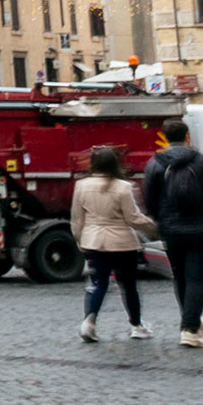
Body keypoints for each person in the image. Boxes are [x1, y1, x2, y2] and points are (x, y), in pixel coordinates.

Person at [142, 120, 203, 347]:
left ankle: (189, 320)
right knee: (196, 278)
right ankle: (190, 328)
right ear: (187, 136)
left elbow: (149, 199)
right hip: (201, 227)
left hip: (171, 229)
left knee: (180, 276)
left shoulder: (155, 162)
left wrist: (161, 220)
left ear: (165, 137)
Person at [71, 145, 155, 342]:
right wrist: (152, 226)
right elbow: (133, 218)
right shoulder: (124, 187)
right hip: (122, 242)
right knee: (129, 286)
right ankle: (136, 325)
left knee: (98, 283)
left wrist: (79, 238)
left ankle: (89, 322)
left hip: (93, 241)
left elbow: (77, 218)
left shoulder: (81, 186)